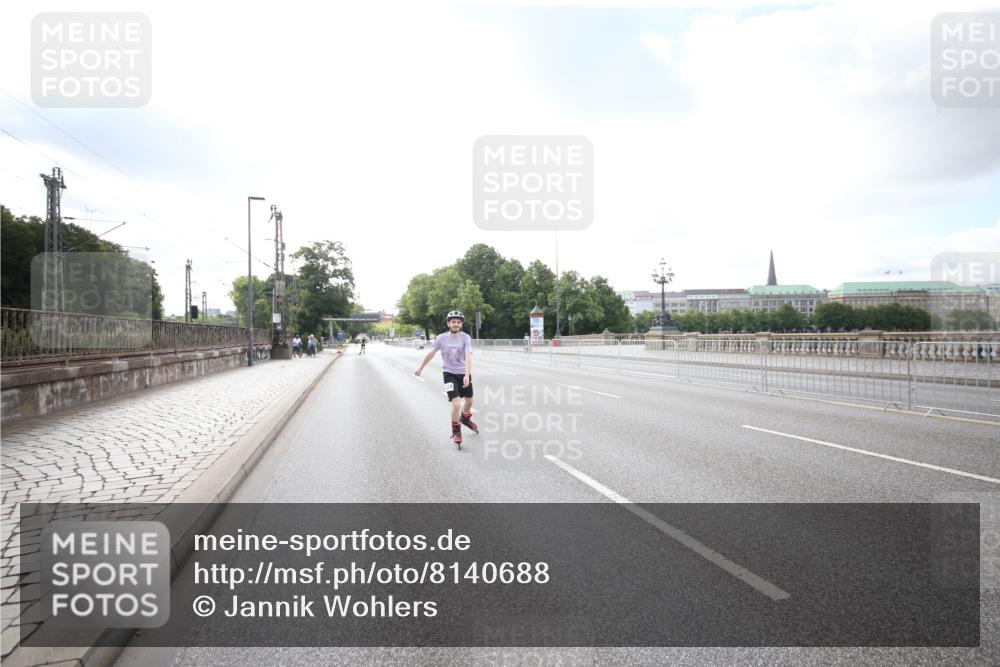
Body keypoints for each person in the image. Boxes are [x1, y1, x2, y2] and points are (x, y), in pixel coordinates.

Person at [414, 310, 478, 447]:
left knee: (469, 401)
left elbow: (468, 356)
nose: (456, 324)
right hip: (449, 374)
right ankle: (456, 431)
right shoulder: (441, 338)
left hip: (463, 373)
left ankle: (465, 418)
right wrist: (421, 368)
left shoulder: (466, 337)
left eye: (458, 322)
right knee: (456, 404)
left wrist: (467, 374)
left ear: (461, 324)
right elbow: (431, 353)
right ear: (448, 323)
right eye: (453, 322)